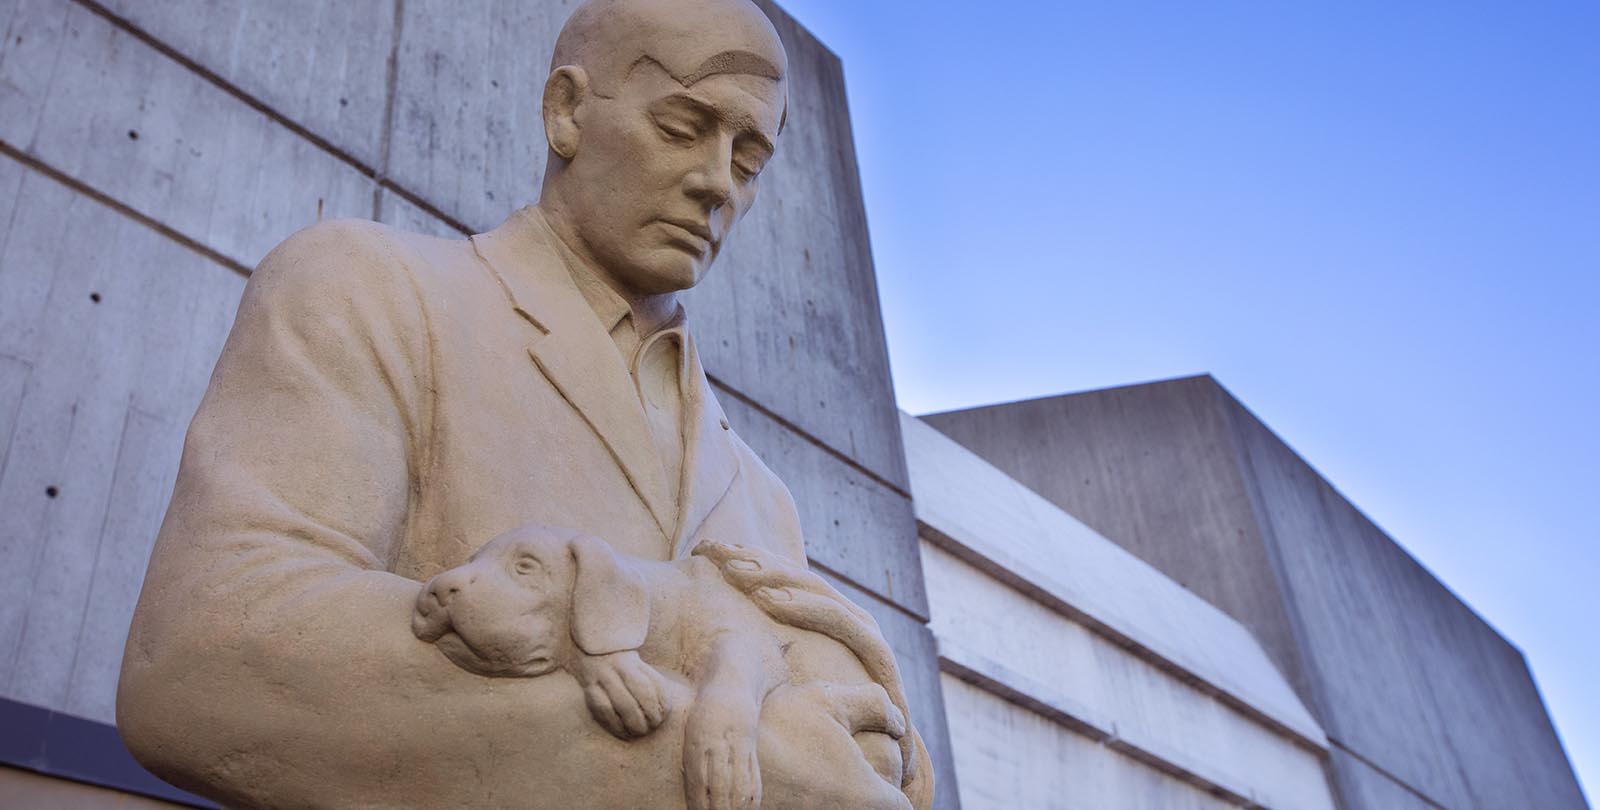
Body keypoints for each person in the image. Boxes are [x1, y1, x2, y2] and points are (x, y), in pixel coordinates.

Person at [117, 1, 930, 808]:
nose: (718, 182)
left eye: (749, 161)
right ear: (566, 111)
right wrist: (737, 768)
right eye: (684, 127)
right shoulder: (368, 290)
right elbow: (206, 654)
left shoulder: (765, 501)